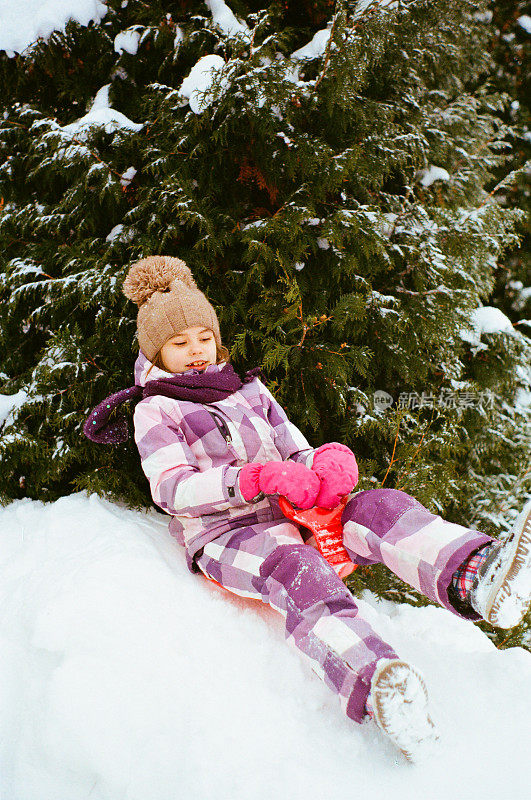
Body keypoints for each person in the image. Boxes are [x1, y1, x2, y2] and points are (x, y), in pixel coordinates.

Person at [84, 255, 531, 762]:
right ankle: (379, 686)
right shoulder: (155, 409)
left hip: (294, 513)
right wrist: (249, 479)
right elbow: (171, 487)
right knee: (298, 570)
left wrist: (324, 463)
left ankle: (478, 575)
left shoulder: (248, 388)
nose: (195, 352)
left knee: (378, 508)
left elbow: (293, 449)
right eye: (179, 343)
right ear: (156, 350)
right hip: (225, 535)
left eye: (203, 338)